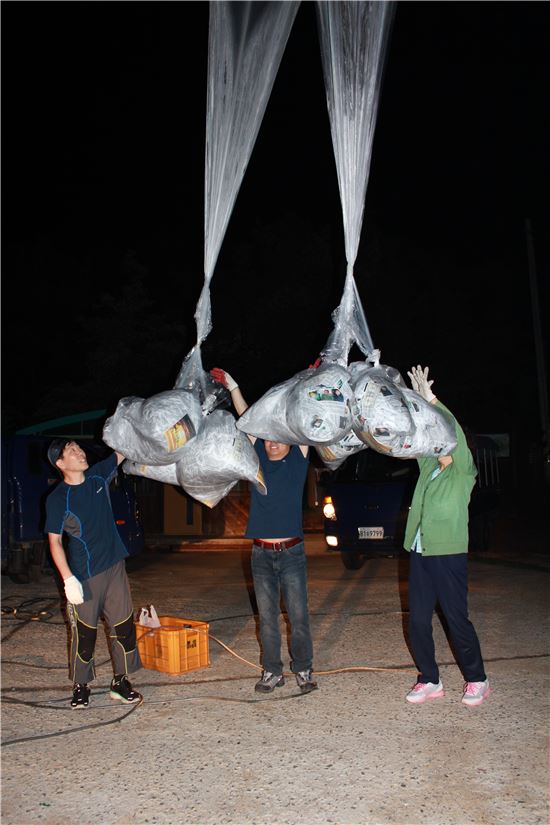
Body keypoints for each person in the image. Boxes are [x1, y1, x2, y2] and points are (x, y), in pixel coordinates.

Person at [209, 367, 318, 695]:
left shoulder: (298, 457)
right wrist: (234, 386)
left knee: (298, 616)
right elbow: (249, 417)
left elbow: (301, 414)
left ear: (289, 441)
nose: (271, 442)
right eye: (268, 438)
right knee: (267, 619)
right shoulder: (257, 455)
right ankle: (272, 671)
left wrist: (306, 381)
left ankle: (304, 669)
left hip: (292, 553)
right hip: (260, 555)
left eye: (277, 438)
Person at [403, 366, 492, 707]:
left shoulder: (462, 472)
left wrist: (434, 400)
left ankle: (477, 679)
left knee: (456, 619)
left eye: (444, 437)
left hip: (448, 552)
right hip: (420, 551)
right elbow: (414, 434)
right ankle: (429, 679)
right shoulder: (429, 468)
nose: (438, 439)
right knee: (419, 620)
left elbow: (450, 428)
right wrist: (416, 404)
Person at [45, 439, 142, 708]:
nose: (80, 452)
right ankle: (81, 684)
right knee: (85, 633)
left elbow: (122, 451)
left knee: (123, 626)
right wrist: (67, 579)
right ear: (61, 464)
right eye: (72, 451)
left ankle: (120, 682)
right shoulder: (58, 498)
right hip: (84, 574)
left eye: (79, 448)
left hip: (114, 565)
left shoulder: (98, 475)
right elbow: (54, 541)